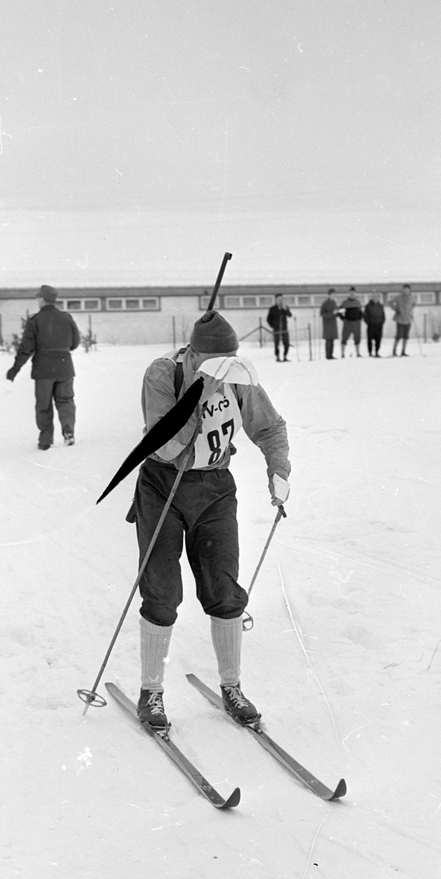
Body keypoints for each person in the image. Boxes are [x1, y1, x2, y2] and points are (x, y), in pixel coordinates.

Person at [130, 310, 291, 732]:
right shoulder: (162, 374)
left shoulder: (238, 376)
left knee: (224, 589)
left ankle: (232, 686)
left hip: (215, 488)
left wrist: (280, 471)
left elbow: (270, 427)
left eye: (230, 363)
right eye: (216, 365)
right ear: (195, 355)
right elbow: (164, 446)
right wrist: (197, 399)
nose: (225, 373)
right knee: (162, 592)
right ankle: (151, 692)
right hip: (163, 487)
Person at [6, 284, 80, 449]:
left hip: (43, 370)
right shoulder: (66, 318)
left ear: (41, 299)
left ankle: (45, 439)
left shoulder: (35, 321)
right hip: (64, 367)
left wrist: (14, 369)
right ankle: (68, 432)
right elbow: (75, 343)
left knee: (43, 404)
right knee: (66, 400)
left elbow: (26, 348)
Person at [266, 294, 292, 361]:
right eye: (278, 299)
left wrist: (286, 310)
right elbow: (268, 319)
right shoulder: (272, 309)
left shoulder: (285, 308)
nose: (280, 301)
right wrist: (273, 325)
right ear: (276, 300)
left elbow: (290, 315)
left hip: (284, 328)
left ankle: (285, 356)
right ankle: (277, 356)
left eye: (281, 299)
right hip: (276, 329)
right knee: (276, 343)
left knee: (286, 342)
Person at [391, 284, 414, 356]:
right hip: (400, 319)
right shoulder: (398, 297)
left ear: (409, 290)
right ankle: (394, 351)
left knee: (406, 337)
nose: (406, 291)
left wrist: (411, 312)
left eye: (407, 289)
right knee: (398, 336)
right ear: (402, 290)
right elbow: (390, 302)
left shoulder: (412, 297)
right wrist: (396, 309)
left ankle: (403, 351)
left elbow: (413, 304)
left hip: (408, 320)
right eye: (404, 289)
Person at [340, 287, 363, 357]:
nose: (352, 294)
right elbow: (340, 312)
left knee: (357, 338)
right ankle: (342, 354)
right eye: (351, 293)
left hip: (356, 323)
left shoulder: (358, 302)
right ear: (349, 294)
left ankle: (358, 353)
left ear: (355, 294)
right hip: (348, 323)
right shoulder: (345, 303)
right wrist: (343, 319)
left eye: (353, 293)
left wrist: (360, 318)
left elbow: (360, 312)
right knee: (344, 338)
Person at [320, 288, 339, 360]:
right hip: (327, 324)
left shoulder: (334, 303)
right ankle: (328, 355)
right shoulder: (325, 303)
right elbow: (322, 314)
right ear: (329, 295)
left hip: (333, 324)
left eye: (334, 294)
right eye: (332, 294)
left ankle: (331, 354)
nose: (334, 296)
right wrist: (331, 314)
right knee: (328, 340)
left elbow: (336, 311)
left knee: (332, 340)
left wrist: (338, 313)